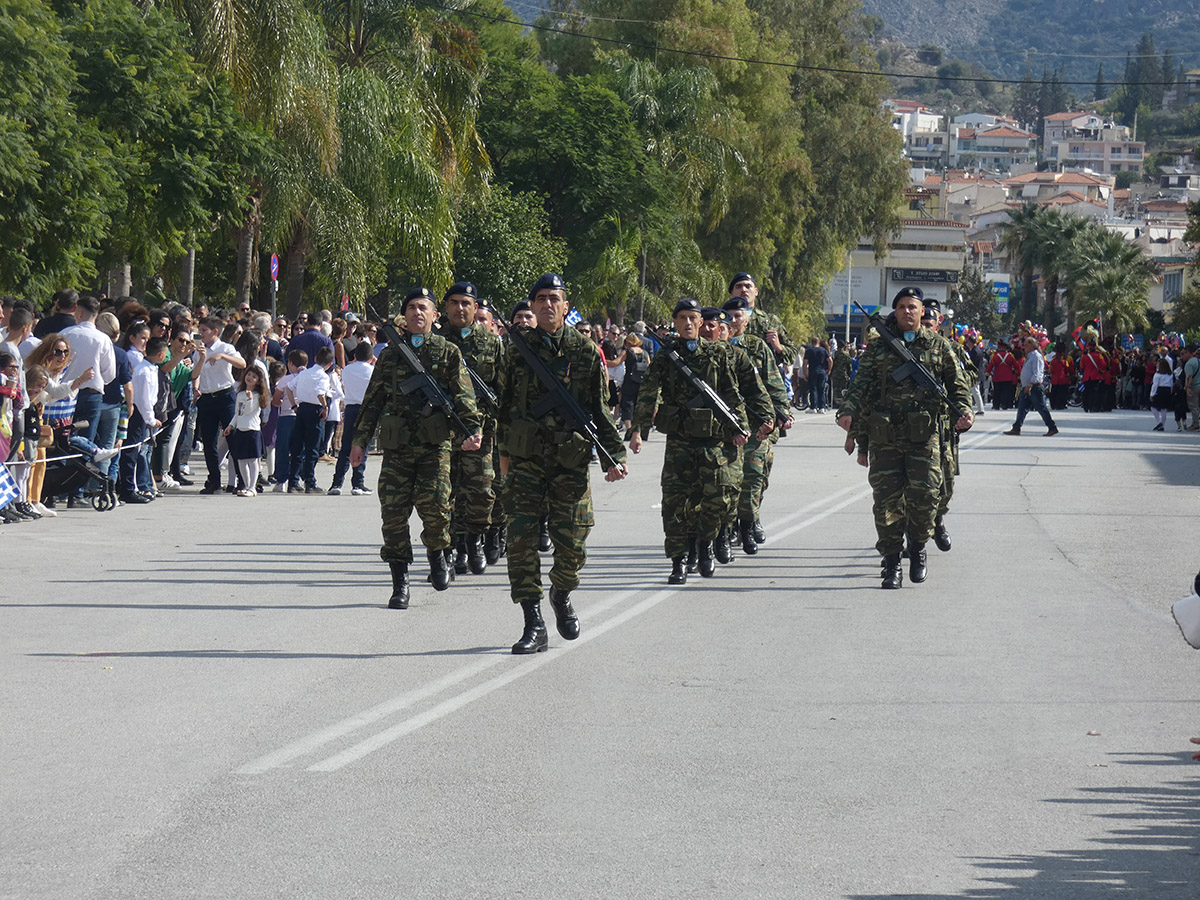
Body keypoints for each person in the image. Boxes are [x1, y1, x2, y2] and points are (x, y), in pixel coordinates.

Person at [496, 273, 627, 653]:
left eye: (555, 298)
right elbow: (502, 409)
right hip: (524, 462)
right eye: (540, 299)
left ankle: (561, 591)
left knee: (573, 543)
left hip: (569, 462)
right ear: (532, 307)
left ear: (566, 307)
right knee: (520, 542)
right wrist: (503, 459)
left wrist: (613, 456)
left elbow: (599, 410)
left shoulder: (584, 352)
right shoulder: (515, 350)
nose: (548, 305)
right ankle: (532, 622)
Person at [349, 287, 482, 609]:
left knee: (436, 509)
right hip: (397, 449)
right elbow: (373, 400)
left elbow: (463, 396)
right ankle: (400, 583)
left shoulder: (448, 352)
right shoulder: (392, 355)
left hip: (435, 447)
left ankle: (439, 555)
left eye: (423, 308)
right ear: (403, 316)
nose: (416, 313)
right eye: (411, 308)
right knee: (393, 517)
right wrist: (359, 441)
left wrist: (472, 429)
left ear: (435, 316)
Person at [837, 287, 973, 589]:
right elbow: (862, 384)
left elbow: (958, 386)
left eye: (913, 307)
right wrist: (848, 410)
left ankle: (918, 547)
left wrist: (965, 411)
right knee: (886, 502)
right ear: (895, 311)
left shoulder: (940, 346)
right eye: (901, 307)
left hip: (924, 438)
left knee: (925, 499)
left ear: (922, 311)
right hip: (886, 437)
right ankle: (891, 562)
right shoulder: (879, 347)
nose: (907, 312)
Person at [631, 300, 772, 584]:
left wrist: (746, 425)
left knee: (716, 500)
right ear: (675, 322)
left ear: (700, 321)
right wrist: (638, 430)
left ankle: (707, 543)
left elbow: (735, 392)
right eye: (681, 318)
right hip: (680, 441)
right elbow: (648, 391)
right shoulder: (666, 355)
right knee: (675, 503)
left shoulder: (719, 353)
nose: (688, 323)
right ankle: (678, 560)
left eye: (693, 318)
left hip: (714, 441)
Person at [440, 281, 502, 575]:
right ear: (447, 307)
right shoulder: (436, 340)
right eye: (455, 302)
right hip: (442, 430)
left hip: (482, 431)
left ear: (475, 308)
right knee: (445, 493)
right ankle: (453, 549)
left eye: (466, 303)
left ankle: (474, 539)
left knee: (480, 491)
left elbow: (503, 389)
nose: (460, 308)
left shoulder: (492, 344)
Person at [723, 297, 791, 554]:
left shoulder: (757, 346)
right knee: (730, 480)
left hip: (759, 425)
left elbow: (774, 382)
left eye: (738, 316)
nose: (733, 321)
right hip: (727, 427)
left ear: (747, 319)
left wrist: (781, 413)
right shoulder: (716, 348)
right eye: (728, 316)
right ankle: (728, 529)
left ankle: (748, 525)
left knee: (754, 477)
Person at [192, 316, 240, 494]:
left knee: (233, 438)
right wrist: (202, 359)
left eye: (204, 331)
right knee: (209, 440)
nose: (200, 334)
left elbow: (241, 363)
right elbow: (195, 374)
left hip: (225, 395)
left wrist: (223, 356)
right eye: (199, 330)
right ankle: (214, 480)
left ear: (215, 332)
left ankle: (241, 480)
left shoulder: (226, 348)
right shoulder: (199, 351)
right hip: (206, 397)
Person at [329, 341, 373, 495]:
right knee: (363, 445)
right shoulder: (372, 371)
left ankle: (337, 483)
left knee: (346, 446)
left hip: (351, 407)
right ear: (370, 356)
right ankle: (358, 483)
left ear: (355, 355)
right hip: (366, 409)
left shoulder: (347, 370)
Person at [728, 273, 797, 367]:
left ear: (756, 291)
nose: (744, 290)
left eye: (748, 286)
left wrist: (778, 347)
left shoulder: (770, 321)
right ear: (731, 293)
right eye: (739, 286)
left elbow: (792, 354)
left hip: (762, 377)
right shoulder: (720, 320)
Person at [290, 345, 334, 492]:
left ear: (315, 358)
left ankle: (293, 481)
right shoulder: (323, 376)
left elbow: (289, 388)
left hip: (302, 408)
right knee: (312, 447)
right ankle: (309, 481)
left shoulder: (304, 373)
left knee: (298, 446)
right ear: (329, 364)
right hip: (315, 410)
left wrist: (294, 406)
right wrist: (325, 407)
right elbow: (319, 392)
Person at [224, 365, 270, 497]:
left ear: (258, 381)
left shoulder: (257, 396)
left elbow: (250, 410)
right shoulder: (240, 393)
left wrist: (249, 399)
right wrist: (230, 426)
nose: (250, 378)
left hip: (252, 431)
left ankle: (252, 487)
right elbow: (238, 413)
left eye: (254, 377)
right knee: (241, 460)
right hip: (240, 430)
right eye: (248, 375)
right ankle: (246, 484)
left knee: (253, 460)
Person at [1003, 338, 1059, 438]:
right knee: (1022, 408)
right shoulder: (1029, 356)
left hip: (1034, 387)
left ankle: (1052, 427)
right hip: (1027, 386)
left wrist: (1030, 384)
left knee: (1041, 408)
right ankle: (1016, 428)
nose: (1024, 347)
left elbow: (1037, 372)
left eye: (1026, 345)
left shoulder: (1036, 356)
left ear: (1032, 346)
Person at [985, 341, 1020, 410]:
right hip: (1008, 378)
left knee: (997, 392)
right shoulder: (1010, 356)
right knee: (1006, 392)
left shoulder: (995, 356)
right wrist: (1018, 375)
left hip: (997, 377)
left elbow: (990, 366)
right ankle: (1005, 404)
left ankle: (996, 405)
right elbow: (1017, 366)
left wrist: (987, 374)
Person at [1149, 358, 1174, 431]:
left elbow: (1155, 385)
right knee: (1164, 409)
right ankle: (1162, 424)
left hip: (1160, 390)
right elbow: (1171, 384)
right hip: (1167, 390)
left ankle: (1159, 422)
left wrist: (1152, 394)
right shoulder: (1170, 374)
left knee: (1153, 406)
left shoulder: (1157, 374)